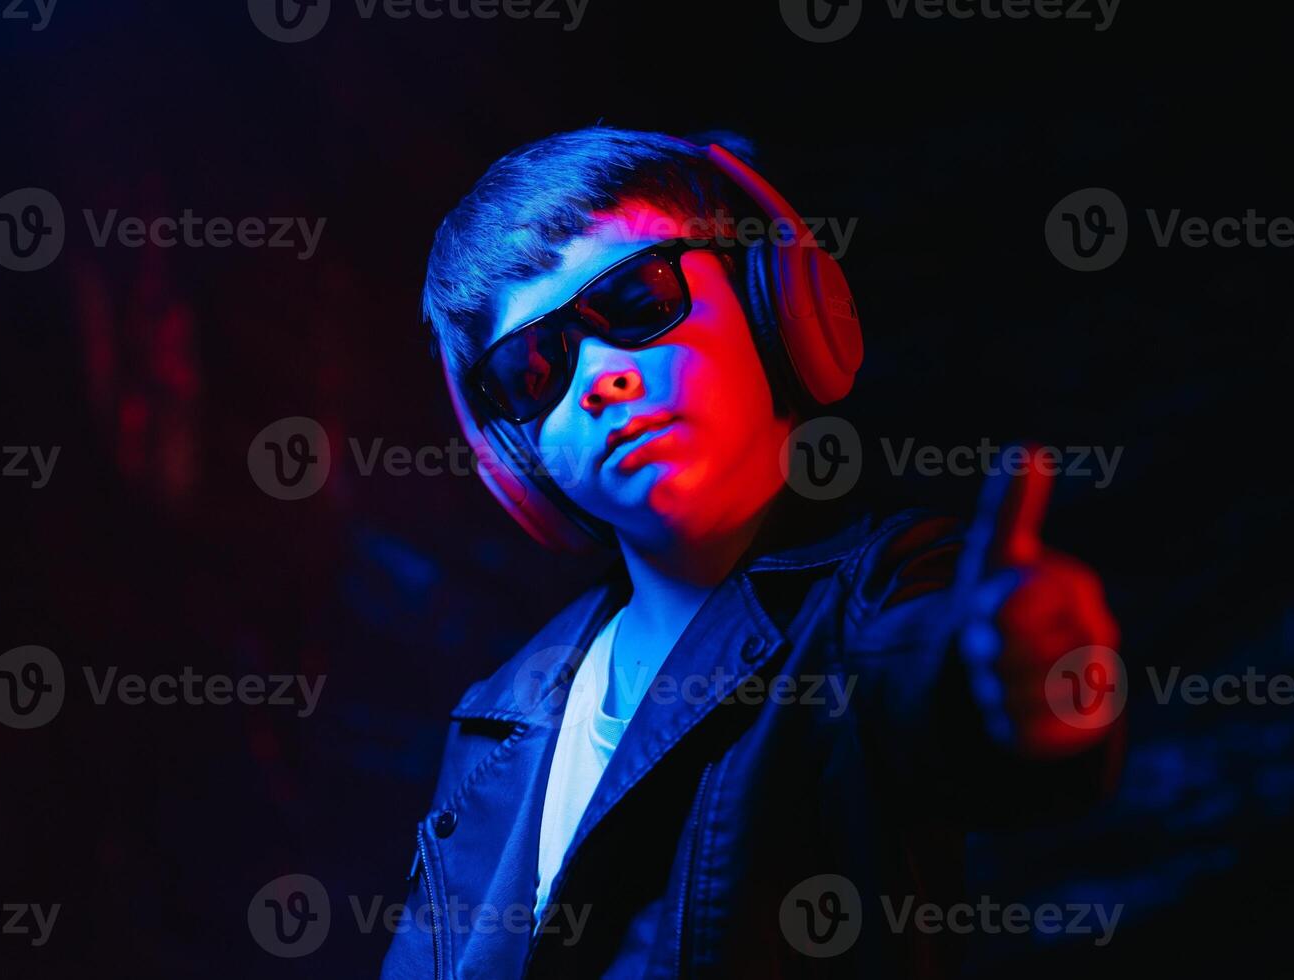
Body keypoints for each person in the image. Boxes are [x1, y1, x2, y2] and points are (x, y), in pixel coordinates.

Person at [380, 126, 1124, 978]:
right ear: (511, 452)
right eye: (534, 368)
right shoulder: (501, 713)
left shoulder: (880, 595)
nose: (598, 377)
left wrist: (1034, 682)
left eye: (637, 302)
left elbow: (937, 685)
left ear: (774, 298)